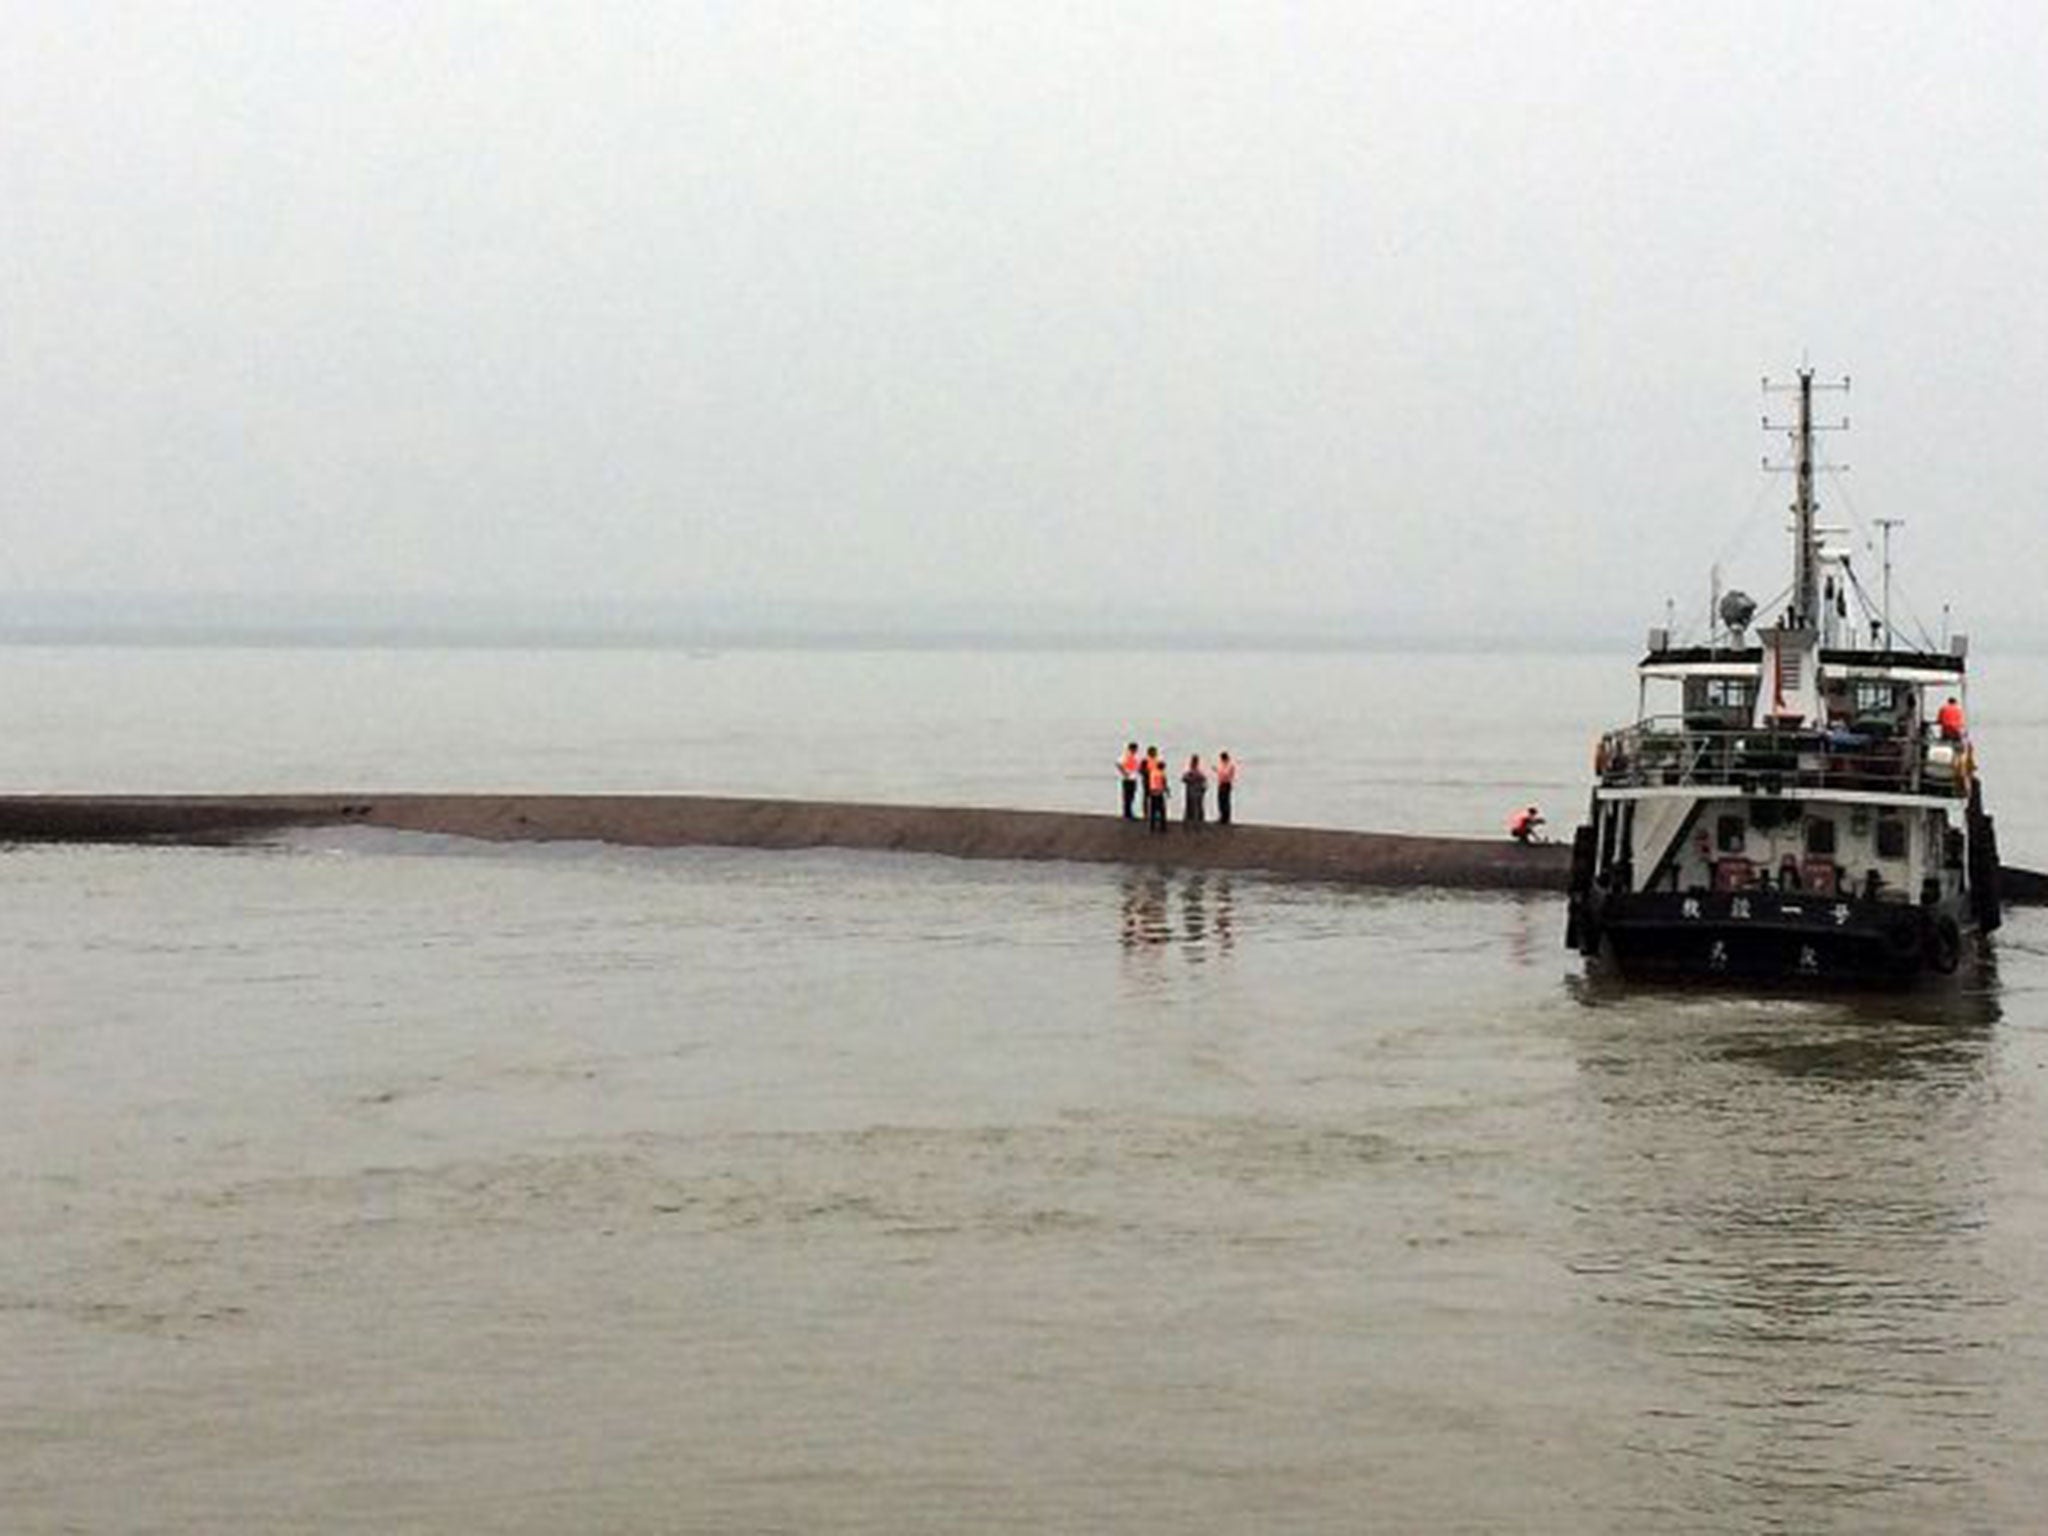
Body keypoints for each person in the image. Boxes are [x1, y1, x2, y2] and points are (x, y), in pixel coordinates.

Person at [1144, 746, 1169, 835]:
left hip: (1152, 791)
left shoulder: (1152, 772)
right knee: (1162, 810)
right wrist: (1167, 791)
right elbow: (1164, 783)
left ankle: (1152, 826)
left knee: (1153, 809)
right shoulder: (1161, 773)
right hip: (1159, 792)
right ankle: (1163, 826)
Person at [1181, 754, 1207, 829]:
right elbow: (1184, 779)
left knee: (1196, 805)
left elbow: (1203, 779)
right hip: (1193, 790)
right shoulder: (1192, 772)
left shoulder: (1196, 772)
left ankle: (1196, 820)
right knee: (1193, 805)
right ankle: (1194, 819)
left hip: (1195, 790)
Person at [1117, 741, 1141, 819]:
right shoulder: (1126, 756)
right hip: (1127, 778)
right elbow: (1118, 764)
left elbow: (1138, 767)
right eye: (1135, 749)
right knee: (1127, 796)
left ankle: (1129, 812)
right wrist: (1124, 773)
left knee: (1131, 796)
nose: (1136, 750)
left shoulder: (1136, 757)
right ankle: (1127, 813)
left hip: (1133, 778)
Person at [1215, 751, 1237, 825]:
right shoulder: (1222, 765)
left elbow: (1226, 774)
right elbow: (1221, 773)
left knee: (1226, 801)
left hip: (1226, 784)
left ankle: (1226, 818)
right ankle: (1222, 816)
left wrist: (1218, 770)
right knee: (1220, 800)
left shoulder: (1230, 765)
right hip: (1221, 783)